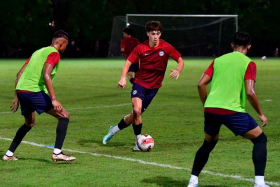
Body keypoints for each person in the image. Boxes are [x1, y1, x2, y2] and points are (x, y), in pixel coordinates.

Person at [187, 31, 268, 187]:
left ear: (232, 45)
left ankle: (193, 181)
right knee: (260, 139)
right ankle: (259, 183)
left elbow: (200, 84)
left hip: (211, 109)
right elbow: (250, 92)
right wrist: (261, 114)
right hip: (231, 110)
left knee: (208, 143)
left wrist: (206, 104)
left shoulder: (217, 60)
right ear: (249, 47)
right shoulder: (249, 63)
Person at [102, 21, 184, 150]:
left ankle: (113, 130)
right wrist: (123, 78)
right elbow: (127, 63)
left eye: (158, 34)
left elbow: (180, 60)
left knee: (134, 115)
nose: (155, 36)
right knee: (137, 110)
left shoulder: (166, 47)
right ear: (148, 34)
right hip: (140, 83)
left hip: (154, 88)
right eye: (153, 34)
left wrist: (178, 70)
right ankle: (138, 141)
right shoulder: (141, 48)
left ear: (160, 34)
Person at [2, 30, 76, 162]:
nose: (65, 48)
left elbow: (19, 73)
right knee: (64, 115)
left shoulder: (37, 52)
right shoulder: (54, 53)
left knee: (29, 123)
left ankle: (8, 154)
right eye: (66, 45)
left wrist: (16, 96)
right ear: (61, 43)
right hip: (33, 91)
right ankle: (57, 153)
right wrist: (54, 99)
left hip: (22, 91)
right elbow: (46, 75)